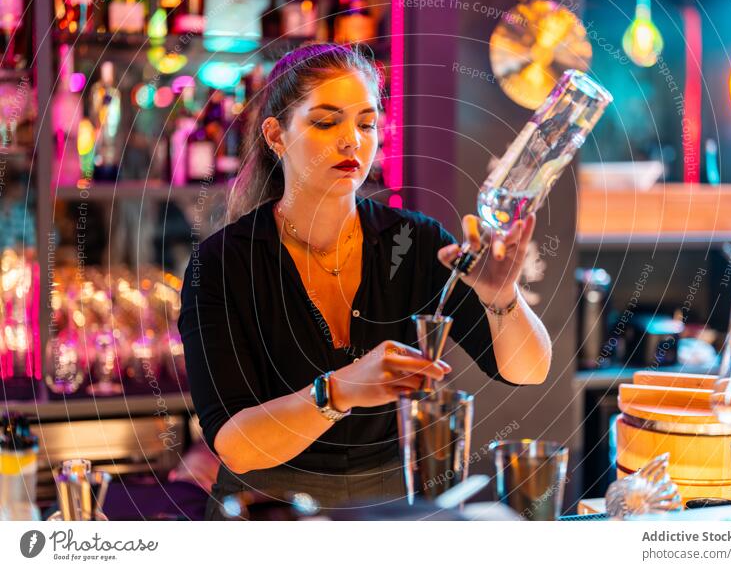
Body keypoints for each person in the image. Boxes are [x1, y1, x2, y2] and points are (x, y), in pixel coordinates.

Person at [178, 43, 552, 519]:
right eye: (326, 121)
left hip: (389, 510)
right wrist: (341, 389)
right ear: (276, 135)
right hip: (266, 512)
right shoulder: (223, 263)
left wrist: (503, 298)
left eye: (366, 123)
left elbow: (526, 370)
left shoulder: (413, 242)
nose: (352, 140)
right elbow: (237, 445)